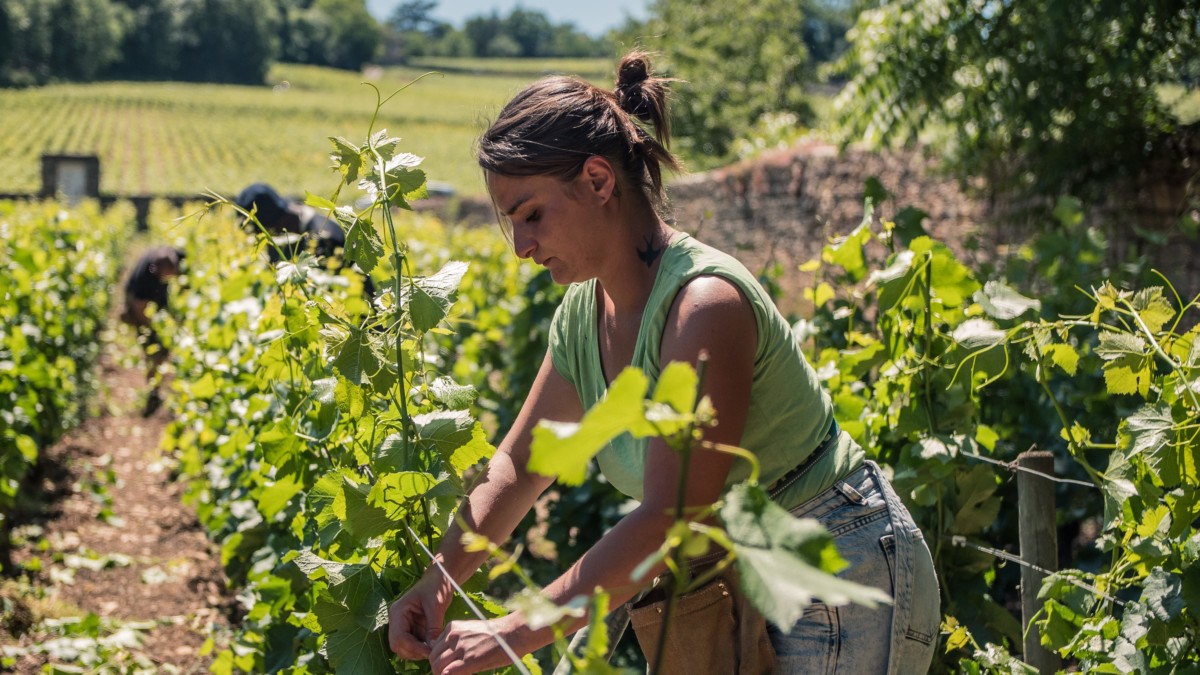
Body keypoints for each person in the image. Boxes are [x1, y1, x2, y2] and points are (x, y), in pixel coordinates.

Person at [387, 51, 940, 674]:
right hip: (732, 577)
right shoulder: (582, 315)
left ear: (599, 182)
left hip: (836, 566)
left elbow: (674, 516)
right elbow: (519, 466)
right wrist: (438, 578)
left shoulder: (704, 305)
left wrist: (519, 627)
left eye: (532, 215)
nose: (521, 248)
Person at [120, 245, 184, 416]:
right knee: (153, 350)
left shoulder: (179, 256)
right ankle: (153, 393)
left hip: (160, 304)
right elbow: (140, 307)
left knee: (163, 350)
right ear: (157, 272)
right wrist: (155, 330)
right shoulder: (144, 280)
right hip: (139, 306)